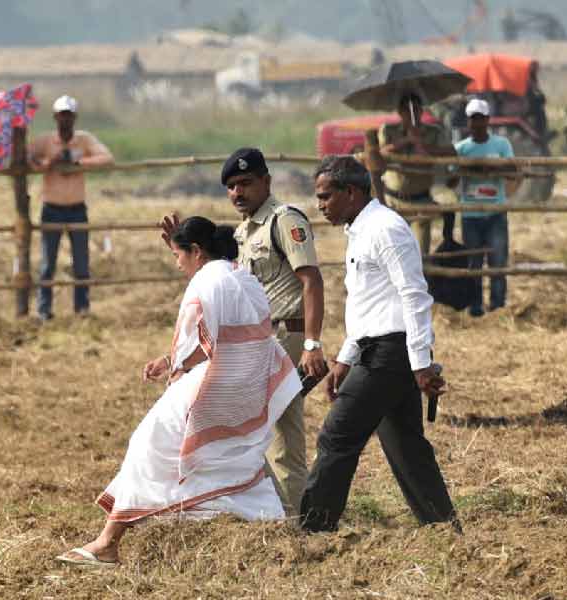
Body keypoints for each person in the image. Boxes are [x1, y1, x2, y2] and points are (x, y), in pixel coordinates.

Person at [56, 217, 301, 567]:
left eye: (177, 255)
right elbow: (228, 336)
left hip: (215, 385)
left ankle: (108, 542)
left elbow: (193, 340)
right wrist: (172, 360)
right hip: (248, 387)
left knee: (148, 445)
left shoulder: (206, 281)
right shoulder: (241, 276)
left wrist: (176, 366)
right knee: (229, 457)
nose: (177, 264)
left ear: (196, 251)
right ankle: (268, 523)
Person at [300, 155, 459, 533]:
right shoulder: (360, 230)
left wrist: (420, 363)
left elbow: (413, 295)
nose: (320, 205)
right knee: (406, 447)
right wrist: (345, 358)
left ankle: (313, 531)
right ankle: (443, 530)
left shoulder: (386, 228)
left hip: (391, 353)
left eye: (325, 196)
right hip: (378, 350)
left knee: (336, 436)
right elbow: (370, 305)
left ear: (351, 192)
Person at [163, 148, 326, 518]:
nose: (238, 192)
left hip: (286, 336)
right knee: (255, 431)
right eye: (232, 186)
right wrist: (184, 249)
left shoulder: (284, 221)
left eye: (246, 183)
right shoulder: (244, 232)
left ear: (266, 181)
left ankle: (295, 517)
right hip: (259, 341)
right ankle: (285, 513)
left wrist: (312, 343)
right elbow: (225, 280)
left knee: (273, 435)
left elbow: (311, 281)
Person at [29, 95, 114, 321]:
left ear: (74, 118)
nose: (65, 120)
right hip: (51, 208)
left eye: (68, 116)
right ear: (55, 117)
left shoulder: (83, 141)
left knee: (81, 262)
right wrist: (49, 163)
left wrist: (79, 163)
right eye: (61, 116)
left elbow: (107, 158)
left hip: (77, 208)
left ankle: (81, 309)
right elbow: (28, 159)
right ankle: (44, 310)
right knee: (48, 263)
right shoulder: (45, 142)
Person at [455, 98, 518, 317]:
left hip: (495, 213)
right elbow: (450, 180)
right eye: (473, 119)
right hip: (470, 214)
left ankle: (498, 307)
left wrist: (493, 169)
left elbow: (513, 172)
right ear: (468, 121)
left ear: (488, 120)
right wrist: (464, 170)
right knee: (473, 265)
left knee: (497, 263)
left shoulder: (501, 145)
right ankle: (475, 308)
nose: (477, 123)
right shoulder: (461, 148)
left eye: (480, 118)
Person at [378, 93, 456, 251]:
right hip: (393, 201)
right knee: (393, 253)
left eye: (415, 109)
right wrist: (406, 140)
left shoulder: (433, 132)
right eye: (406, 110)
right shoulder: (388, 130)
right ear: (400, 112)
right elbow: (380, 154)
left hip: (421, 201)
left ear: (421, 111)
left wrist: (423, 146)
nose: (411, 113)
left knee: (420, 253)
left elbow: (451, 153)